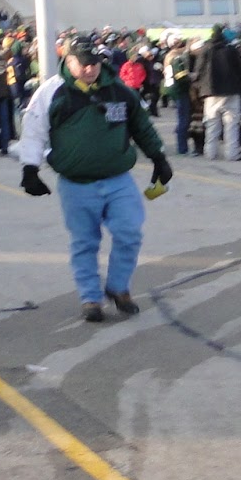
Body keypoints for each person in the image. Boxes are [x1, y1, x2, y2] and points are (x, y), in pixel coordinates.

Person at [19, 36, 172, 323]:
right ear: (68, 61)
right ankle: (90, 298)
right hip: (76, 184)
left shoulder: (119, 91)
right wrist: (30, 168)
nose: (90, 69)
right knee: (85, 242)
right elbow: (34, 131)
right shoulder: (52, 92)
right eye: (83, 64)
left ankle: (118, 286)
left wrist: (159, 158)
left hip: (118, 179)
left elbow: (141, 126)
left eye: (94, 63)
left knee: (129, 232)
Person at [192, 25, 241, 161]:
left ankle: (210, 153)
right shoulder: (231, 49)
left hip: (211, 91)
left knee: (212, 123)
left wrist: (198, 87)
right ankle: (232, 153)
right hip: (232, 90)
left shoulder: (205, 49)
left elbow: (198, 70)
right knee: (232, 124)